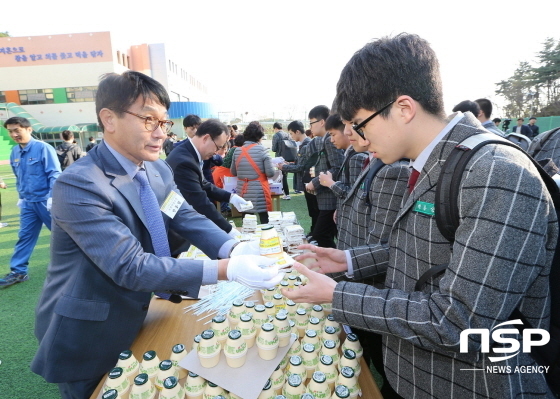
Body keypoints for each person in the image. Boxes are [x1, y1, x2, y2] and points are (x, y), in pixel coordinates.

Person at [283, 33, 557, 398]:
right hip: (413, 376)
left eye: (362, 126)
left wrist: (337, 295)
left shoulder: (496, 173)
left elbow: (460, 321)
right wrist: (346, 259)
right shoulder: (436, 162)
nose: (360, 141)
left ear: (403, 108)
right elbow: (425, 250)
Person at [31, 71, 282, 399]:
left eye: (164, 123)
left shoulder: (156, 168)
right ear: (109, 119)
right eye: (149, 120)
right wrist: (227, 270)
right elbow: (129, 266)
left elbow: (183, 214)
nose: (161, 133)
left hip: (139, 313)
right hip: (90, 330)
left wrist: (232, 248)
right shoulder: (80, 184)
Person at [0, 116, 61, 287]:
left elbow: (54, 174)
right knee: (25, 236)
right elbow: (18, 176)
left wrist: (52, 197)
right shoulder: (15, 152)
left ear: (29, 129)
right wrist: (21, 196)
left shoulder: (43, 148)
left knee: (63, 235)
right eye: (10, 131)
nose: (13, 134)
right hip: (27, 202)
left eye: (17, 130)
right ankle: (18, 271)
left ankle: (81, 267)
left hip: (44, 201)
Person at [166, 119, 250, 235]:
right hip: (177, 230)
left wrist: (231, 197)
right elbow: (200, 202)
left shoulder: (190, 153)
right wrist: (229, 230)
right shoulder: (183, 161)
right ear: (205, 138)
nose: (216, 152)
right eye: (217, 147)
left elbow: (203, 184)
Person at [305, 105, 345, 248]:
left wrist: (315, 182)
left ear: (322, 122)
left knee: (321, 235)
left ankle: (335, 265)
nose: (310, 127)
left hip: (331, 197)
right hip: (326, 196)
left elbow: (337, 167)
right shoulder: (324, 139)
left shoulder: (329, 139)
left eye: (311, 122)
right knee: (331, 235)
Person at [231, 121, 275, 224]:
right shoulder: (263, 150)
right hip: (260, 191)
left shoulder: (237, 151)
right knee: (264, 219)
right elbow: (270, 173)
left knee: (247, 221)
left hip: (243, 190)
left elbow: (233, 172)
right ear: (259, 137)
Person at [318, 114, 368, 204]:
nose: (331, 140)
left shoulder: (357, 157)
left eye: (333, 135)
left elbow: (355, 195)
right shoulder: (349, 154)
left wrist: (330, 183)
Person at [278, 121, 312, 200]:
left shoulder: (307, 145)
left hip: (308, 182)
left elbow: (301, 167)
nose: (291, 136)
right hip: (306, 183)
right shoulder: (303, 144)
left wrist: (284, 167)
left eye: (291, 133)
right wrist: (288, 164)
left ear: (297, 132)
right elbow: (299, 164)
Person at [271, 122, 291, 200]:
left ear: (275, 128)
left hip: (279, 158)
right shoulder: (288, 134)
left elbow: (274, 149)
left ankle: (286, 193)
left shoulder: (276, 135)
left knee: (282, 176)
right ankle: (284, 192)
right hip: (288, 157)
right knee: (284, 175)